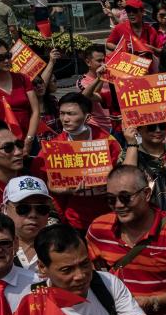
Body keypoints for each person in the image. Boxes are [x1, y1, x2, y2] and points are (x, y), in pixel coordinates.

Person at [86, 166, 166, 315]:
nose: (118, 205)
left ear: (146, 194)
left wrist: (154, 301)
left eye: (125, 198)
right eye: (110, 199)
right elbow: (93, 276)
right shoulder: (98, 229)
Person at [35, 223, 156, 315]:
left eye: (85, 264)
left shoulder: (107, 283)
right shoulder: (33, 306)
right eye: (67, 270)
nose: (80, 275)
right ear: (42, 267)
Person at [41, 92, 121, 230]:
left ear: (87, 117)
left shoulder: (108, 142)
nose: (65, 119)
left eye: (71, 114)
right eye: (62, 113)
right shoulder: (55, 147)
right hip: (75, 218)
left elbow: (121, 176)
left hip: (108, 216)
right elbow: (49, 184)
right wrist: (67, 190)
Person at [0, 40, 40, 143]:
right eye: (0, 58)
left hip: (29, 140)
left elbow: (35, 110)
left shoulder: (22, 79)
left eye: (8, 55)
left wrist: (29, 139)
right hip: (0, 145)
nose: (7, 60)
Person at [1, 175, 51, 269]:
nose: (33, 215)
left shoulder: (61, 245)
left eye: (41, 209)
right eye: (23, 208)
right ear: (5, 209)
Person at [77, 45, 116, 135]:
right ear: (88, 62)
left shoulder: (113, 76)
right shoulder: (82, 82)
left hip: (117, 124)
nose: (103, 64)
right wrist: (100, 78)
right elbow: (86, 95)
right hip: (98, 127)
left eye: (104, 60)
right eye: (99, 61)